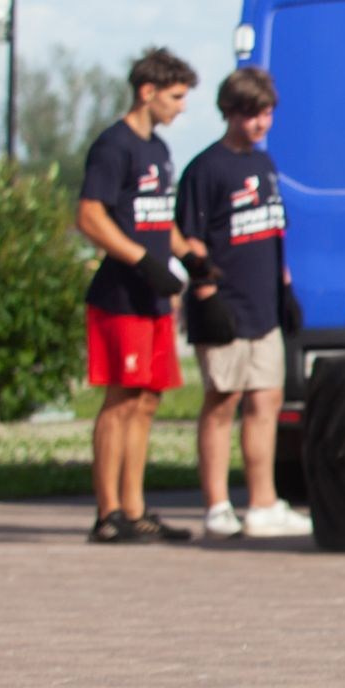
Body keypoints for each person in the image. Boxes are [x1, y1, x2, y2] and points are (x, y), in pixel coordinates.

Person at [175, 69, 310, 540]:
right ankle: (216, 505)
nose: (260, 123)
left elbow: (273, 230)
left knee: (266, 399)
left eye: (266, 113)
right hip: (224, 304)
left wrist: (285, 289)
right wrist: (206, 293)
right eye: (251, 114)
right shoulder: (206, 168)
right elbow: (190, 237)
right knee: (223, 400)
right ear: (229, 113)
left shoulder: (264, 164)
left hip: (264, 304)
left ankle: (263, 502)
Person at [77, 47, 201, 545]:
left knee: (147, 400)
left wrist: (188, 255)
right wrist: (141, 260)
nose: (181, 108)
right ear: (147, 92)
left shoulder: (159, 150)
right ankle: (107, 513)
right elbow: (90, 216)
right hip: (120, 296)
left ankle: (135, 508)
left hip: (154, 298)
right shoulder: (114, 146)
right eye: (175, 97)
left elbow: (157, 216)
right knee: (121, 398)